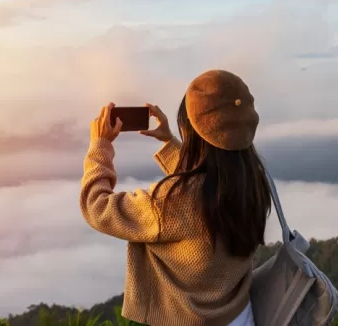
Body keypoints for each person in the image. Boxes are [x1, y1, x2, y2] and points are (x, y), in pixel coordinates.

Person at [80, 69, 272, 326]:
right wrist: (169, 143)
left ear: (190, 129)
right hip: (240, 316)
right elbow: (204, 185)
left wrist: (100, 146)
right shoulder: (253, 180)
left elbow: (96, 206)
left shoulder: (170, 202)